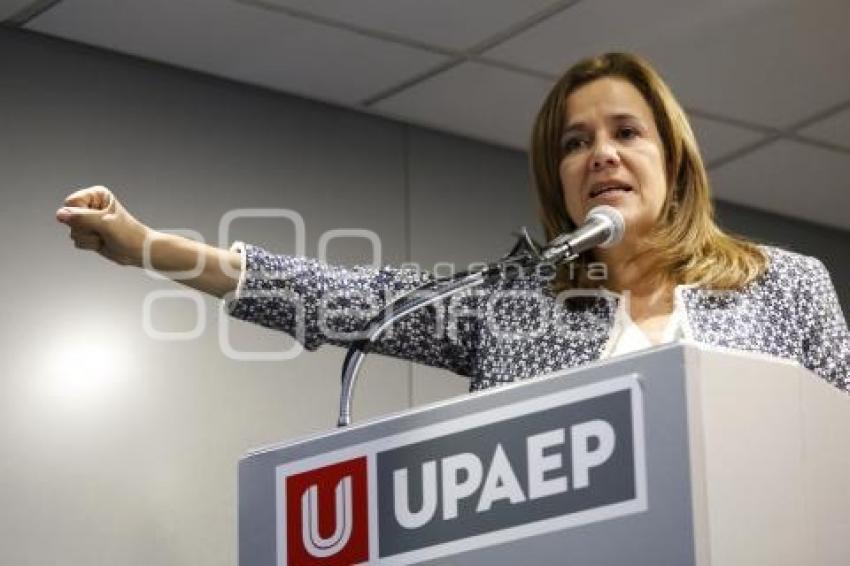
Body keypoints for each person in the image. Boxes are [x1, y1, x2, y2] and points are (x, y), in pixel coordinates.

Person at [55, 52, 850, 393]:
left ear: (672, 158)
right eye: (575, 144)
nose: (600, 155)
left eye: (626, 132)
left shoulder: (785, 287)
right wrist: (148, 248)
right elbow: (343, 296)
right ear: (557, 179)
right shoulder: (512, 305)